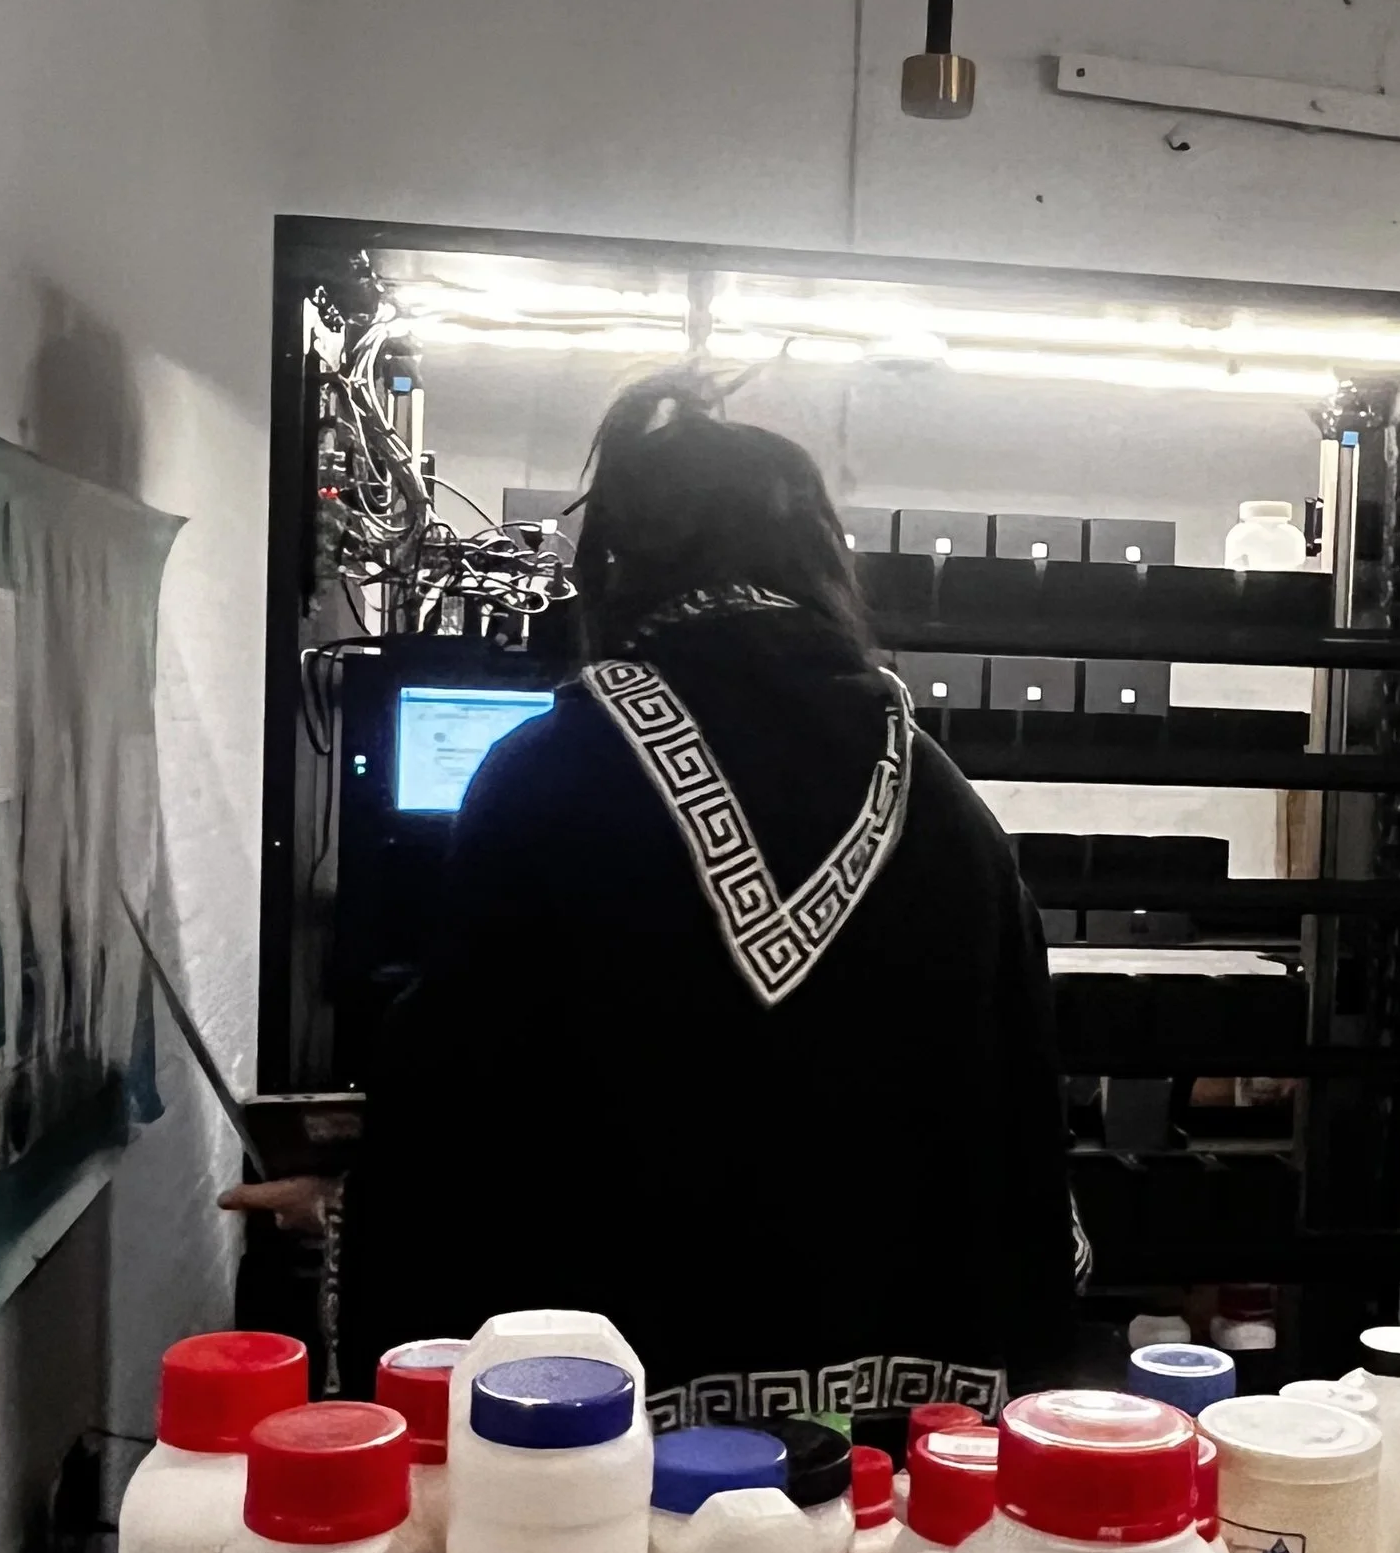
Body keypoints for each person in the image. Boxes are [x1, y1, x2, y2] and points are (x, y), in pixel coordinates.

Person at [234, 370, 1080, 1431]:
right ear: (820, 565)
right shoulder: (949, 807)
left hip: (597, 1430)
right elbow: (1021, 1126)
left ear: (613, 569)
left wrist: (346, 1205)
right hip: (902, 1445)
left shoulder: (545, 776)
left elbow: (458, 1107)